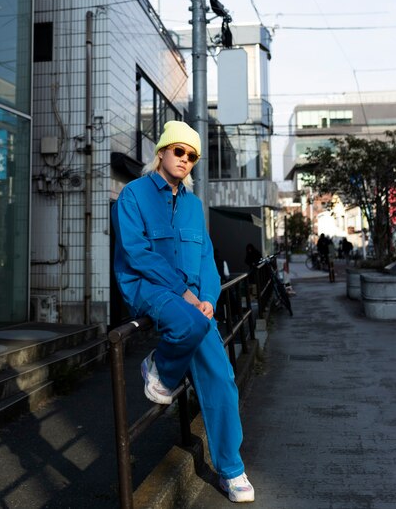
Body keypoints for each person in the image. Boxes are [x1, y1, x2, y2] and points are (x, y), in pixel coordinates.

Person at [112, 120, 254, 504]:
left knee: (221, 376)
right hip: (148, 289)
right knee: (190, 322)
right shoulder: (133, 195)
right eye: (179, 151)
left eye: (192, 156)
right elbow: (136, 252)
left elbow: (207, 255)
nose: (186, 160)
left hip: (190, 300)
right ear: (161, 152)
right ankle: (162, 366)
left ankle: (231, 468)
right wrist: (185, 294)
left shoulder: (192, 205)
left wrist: (208, 295)